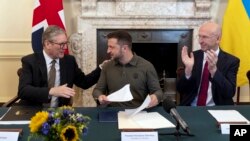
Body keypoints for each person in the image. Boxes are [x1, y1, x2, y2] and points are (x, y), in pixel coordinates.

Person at [18, 25, 104, 107]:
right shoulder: (30, 61)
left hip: (59, 114)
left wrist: (101, 68)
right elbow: (23, 91)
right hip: (34, 112)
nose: (65, 47)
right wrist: (51, 91)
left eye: (66, 43)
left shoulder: (69, 61)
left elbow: (84, 82)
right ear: (48, 44)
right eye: (61, 44)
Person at [92, 30, 163, 108]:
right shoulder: (107, 66)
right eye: (108, 47)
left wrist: (156, 97)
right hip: (113, 112)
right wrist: (100, 96)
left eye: (111, 47)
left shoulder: (147, 66)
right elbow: (97, 90)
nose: (108, 51)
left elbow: (158, 91)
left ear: (125, 48)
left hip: (138, 113)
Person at [177, 21, 240, 106]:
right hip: (192, 108)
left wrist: (214, 71)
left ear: (218, 39)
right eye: (199, 36)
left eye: (205, 37)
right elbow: (181, 89)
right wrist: (188, 70)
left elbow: (229, 93)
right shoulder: (193, 57)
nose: (200, 41)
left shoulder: (231, 61)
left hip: (217, 109)